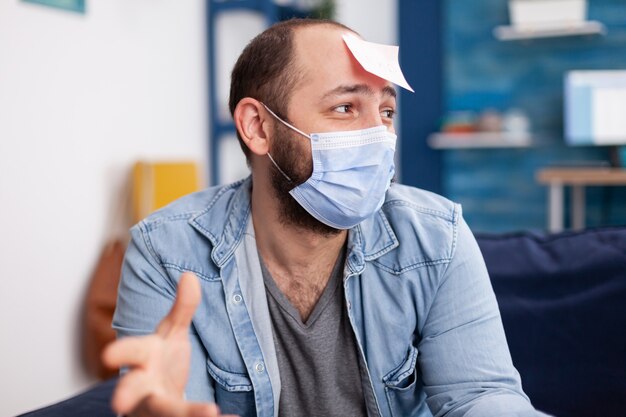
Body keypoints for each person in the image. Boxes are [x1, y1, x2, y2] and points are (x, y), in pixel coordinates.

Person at [103, 18, 550, 417]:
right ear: (258, 127)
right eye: (345, 108)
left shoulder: (437, 236)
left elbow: (481, 397)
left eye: (387, 112)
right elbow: (171, 403)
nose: (378, 136)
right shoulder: (165, 252)